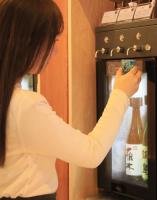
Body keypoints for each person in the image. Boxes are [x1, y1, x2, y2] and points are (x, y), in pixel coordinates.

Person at [0, 0, 142, 199]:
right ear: (30, 42)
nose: (55, 51)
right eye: (53, 41)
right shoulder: (25, 106)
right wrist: (120, 93)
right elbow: (92, 152)